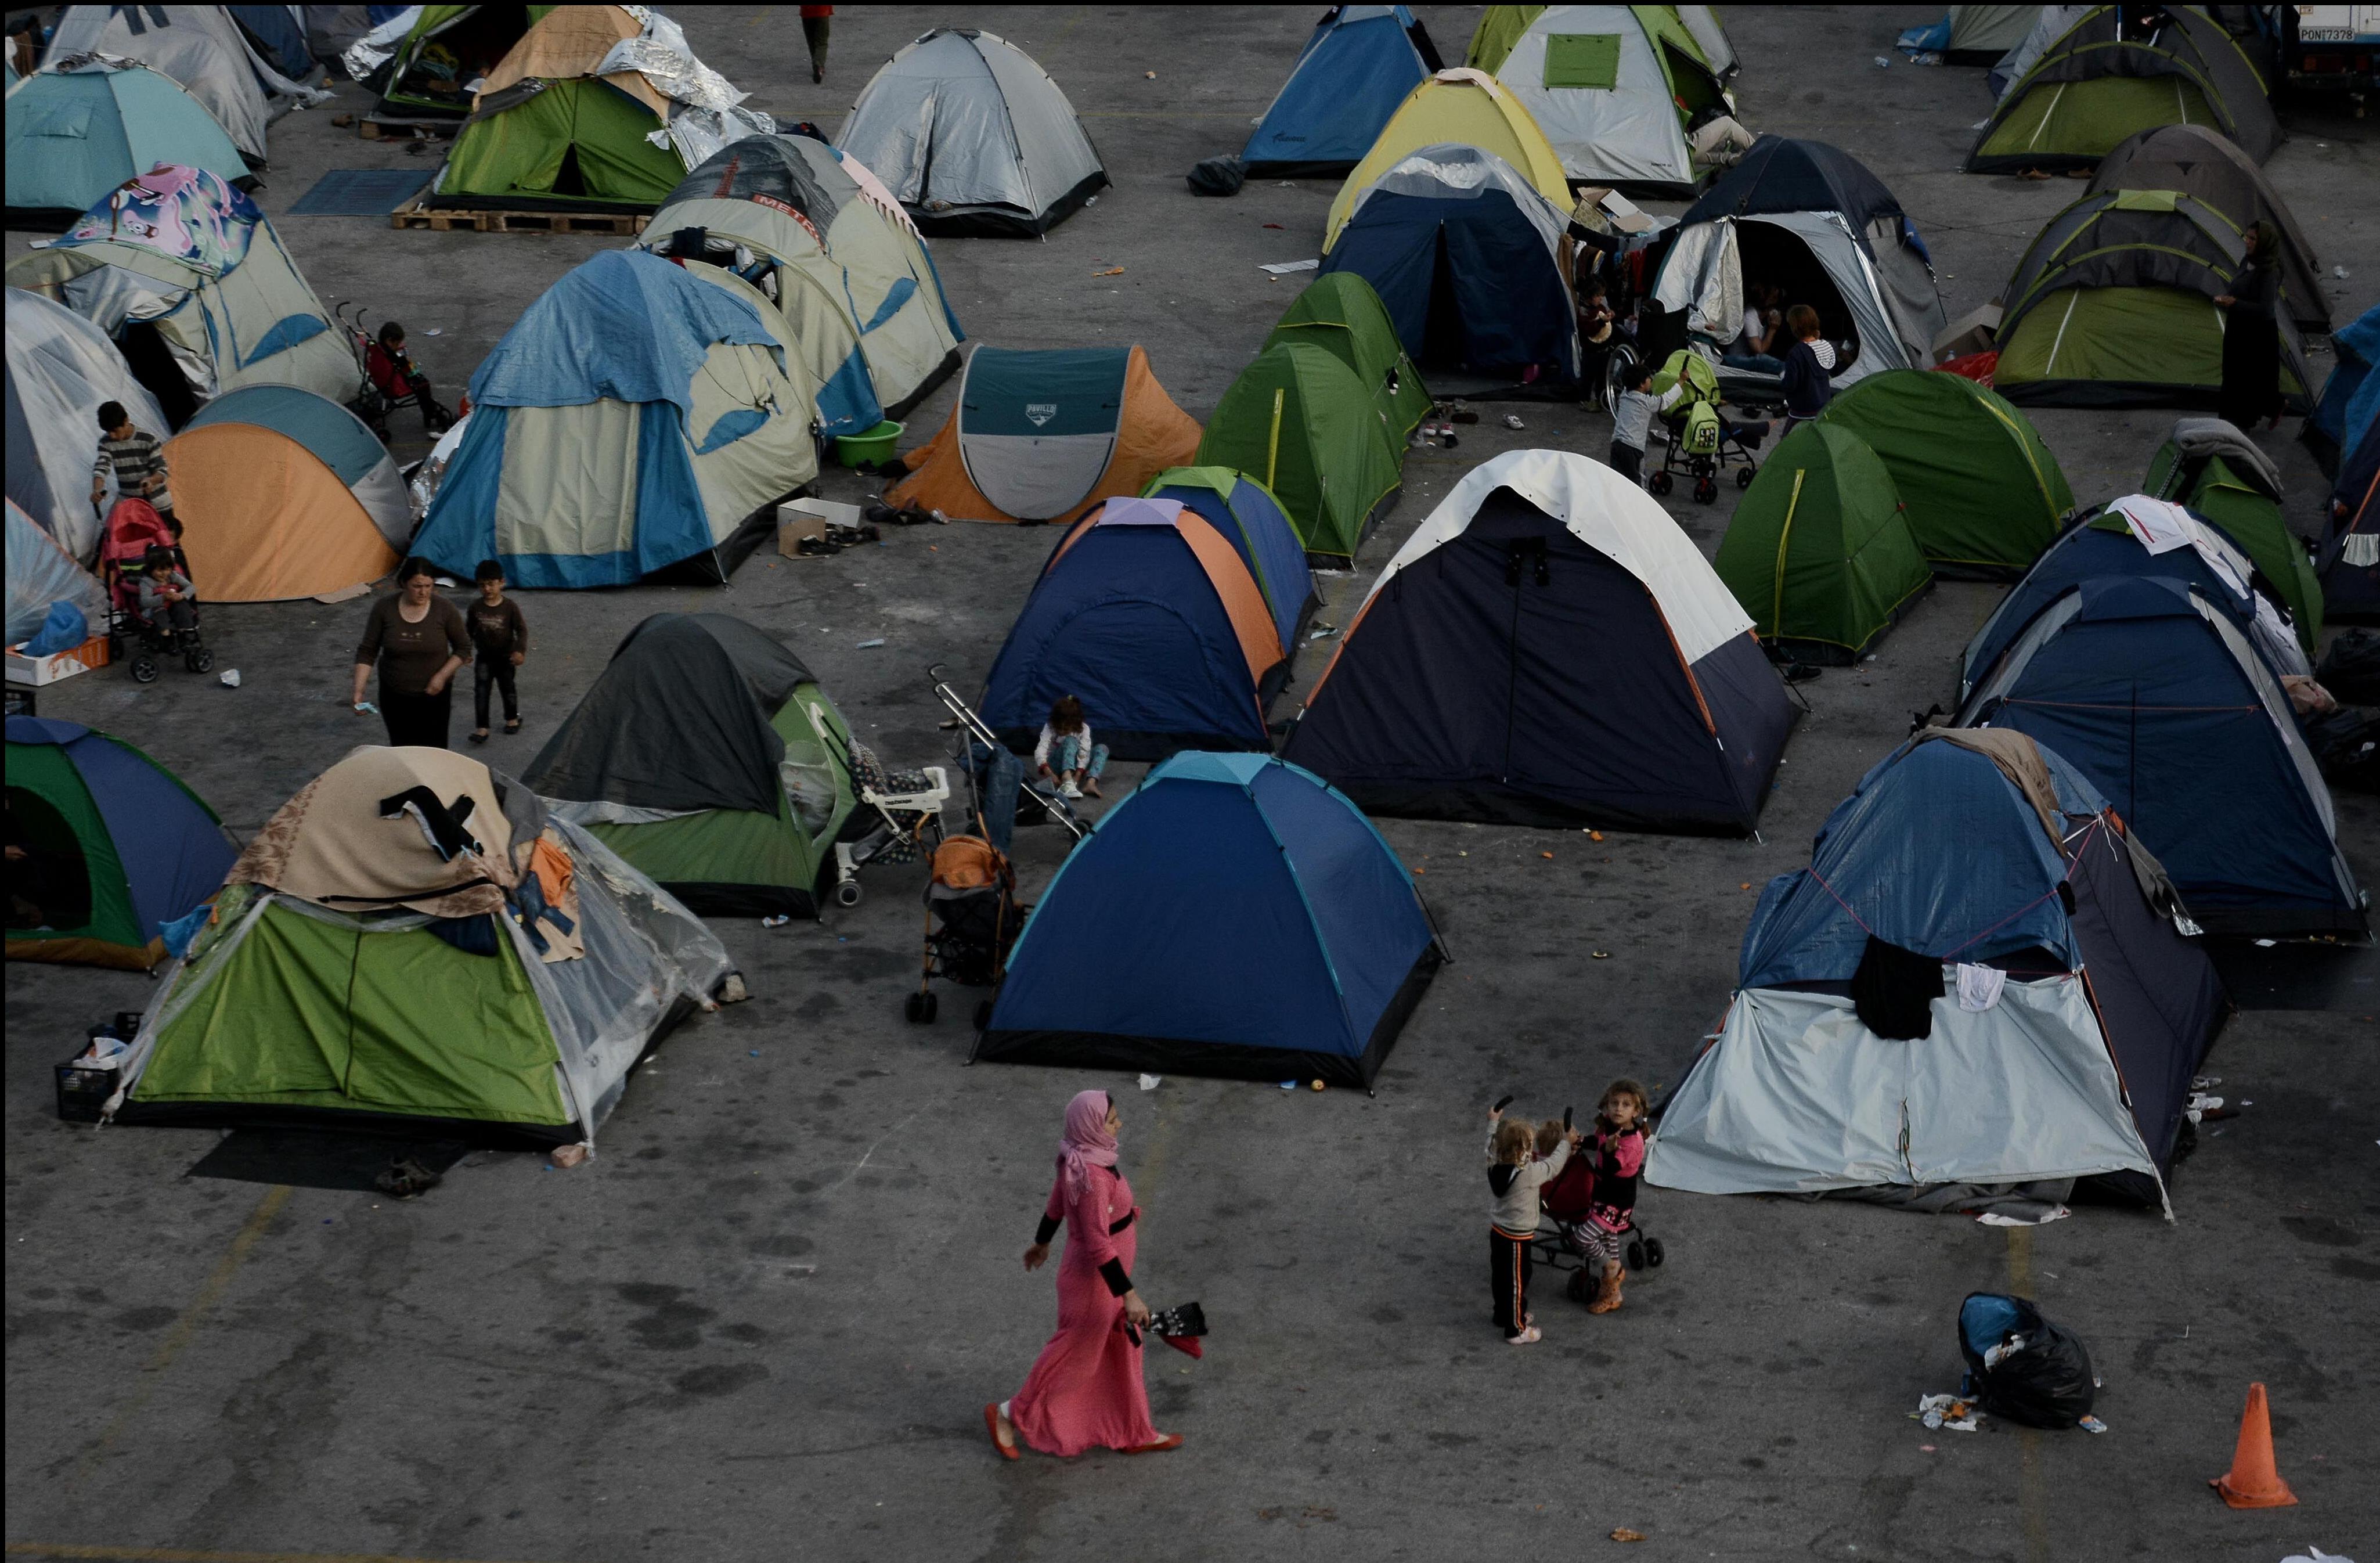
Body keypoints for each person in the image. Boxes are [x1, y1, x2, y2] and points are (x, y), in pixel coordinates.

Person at [988, 1090, 1183, 1459]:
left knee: (1125, 1349)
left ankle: (1133, 1431)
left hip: (1103, 1280)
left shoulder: (1079, 1158)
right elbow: (1097, 1243)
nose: (1119, 1125)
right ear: (1091, 1126)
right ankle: (1007, 1415)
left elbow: (1056, 1205)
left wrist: (1042, 1243)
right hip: (1095, 1286)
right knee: (1074, 1359)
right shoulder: (1092, 1174)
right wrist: (1128, 1295)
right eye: (1111, 1121)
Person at [352, 557, 471, 749]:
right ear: (403, 584)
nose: (423, 592)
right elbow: (368, 651)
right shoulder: (384, 609)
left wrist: (441, 677)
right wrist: (359, 691)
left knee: (435, 749)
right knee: (403, 748)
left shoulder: (444, 609)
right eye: (417, 586)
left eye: (428, 586)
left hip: (435, 697)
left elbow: (463, 648)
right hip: (395, 695)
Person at [1486, 1101, 1578, 1346]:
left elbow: (1489, 1144)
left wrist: (1493, 1122)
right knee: (1518, 1280)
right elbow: (1554, 1165)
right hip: (1518, 1237)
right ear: (1521, 1151)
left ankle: (1502, 1314)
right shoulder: (1528, 1173)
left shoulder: (1493, 1163)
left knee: (1501, 1277)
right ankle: (1516, 1329)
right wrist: (1566, 1142)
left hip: (1499, 1232)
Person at [1574, 1079, 1649, 1316]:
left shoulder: (1633, 1142)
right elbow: (1598, 1141)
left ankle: (1611, 1266)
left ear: (1636, 1112)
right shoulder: (1608, 1127)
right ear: (1606, 1106)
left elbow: (1611, 1169)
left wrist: (1607, 1151)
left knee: (1583, 1238)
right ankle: (1613, 1293)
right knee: (1608, 1239)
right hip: (1602, 1194)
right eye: (1614, 1103)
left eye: (1626, 1105)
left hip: (1617, 1200)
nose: (1618, 1109)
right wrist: (1580, 1142)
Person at [2216, 222, 2283, 433]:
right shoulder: (2248, 261)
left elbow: (2265, 309)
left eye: (2253, 239)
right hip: (2238, 327)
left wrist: (2235, 303)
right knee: (2232, 373)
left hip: (2257, 334)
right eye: (2247, 237)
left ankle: (2240, 423)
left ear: (2263, 243)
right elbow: (2238, 285)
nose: (2248, 241)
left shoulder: (2269, 271)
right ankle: (2230, 420)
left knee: (2248, 379)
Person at [464, 560, 528, 744]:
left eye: (491, 584)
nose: (487, 589)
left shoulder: (509, 607)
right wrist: (466, 651)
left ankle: (512, 719)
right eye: (482, 585)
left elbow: (521, 630)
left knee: (508, 689)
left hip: (506, 658)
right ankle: (482, 728)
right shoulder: (476, 608)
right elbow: (468, 631)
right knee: (482, 691)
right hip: (484, 657)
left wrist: (519, 651)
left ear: (502, 582)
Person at [91, 402, 175, 538]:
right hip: (130, 506)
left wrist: (151, 480)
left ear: (126, 421)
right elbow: (101, 467)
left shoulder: (148, 440)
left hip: (158, 505)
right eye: (108, 432)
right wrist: (97, 490)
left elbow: (162, 471)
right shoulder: (106, 443)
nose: (112, 436)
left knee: (167, 545)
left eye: (115, 431)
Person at [1609, 358, 1687, 488]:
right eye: (1649, 378)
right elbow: (1666, 400)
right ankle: (1641, 504)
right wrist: (1681, 381)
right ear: (1642, 384)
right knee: (1637, 481)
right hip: (1633, 448)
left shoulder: (1624, 395)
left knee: (1617, 479)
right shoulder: (1646, 402)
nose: (1651, 380)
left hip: (1617, 444)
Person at [367, 323, 451, 437]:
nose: (398, 346)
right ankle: (431, 413)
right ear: (389, 341)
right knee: (423, 385)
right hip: (392, 386)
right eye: (396, 344)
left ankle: (430, 412)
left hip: (383, 383)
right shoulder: (391, 356)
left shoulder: (378, 350)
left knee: (420, 384)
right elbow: (404, 368)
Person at [1035, 694, 1109, 799]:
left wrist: (1078, 776)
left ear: (1075, 723)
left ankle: (1090, 783)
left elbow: (1085, 752)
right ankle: (1066, 778)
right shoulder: (1049, 727)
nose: (1063, 731)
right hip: (1055, 766)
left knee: (1102, 748)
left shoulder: (1084, 729)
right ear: (1054, 722)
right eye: (1060, 727)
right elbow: (1040, 751)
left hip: (1075, 766)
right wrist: (1050, 774)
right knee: (1070, 740)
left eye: (1067, 728)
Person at [1778, 305, 1838, 432]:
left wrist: (1783, 378)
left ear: (1795, 328)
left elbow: (1790, 384)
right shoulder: (1825, 347)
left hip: (1802, 410)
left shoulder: (1796, 353)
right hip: (1822, 406)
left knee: (1788, 443)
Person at [1725, 283, 1786, 376]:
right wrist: (1773, 329)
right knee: (1764, 361)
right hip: (1737, 360)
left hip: (1749, 359)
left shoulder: (1765, 319)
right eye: (1772, 297)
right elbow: (1759, 350)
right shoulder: (1750, 315)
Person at [135, 547, 197, 636]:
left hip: (172, 607)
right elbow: (144, 602)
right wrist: (163, 597)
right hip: (154, 609)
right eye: (160, 570)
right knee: (160, 612)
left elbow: (191, 587)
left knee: (181, 605)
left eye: (168, 569)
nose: (165, 573)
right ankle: (166, 635)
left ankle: (184, 631)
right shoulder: (146, 582)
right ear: (151, 569)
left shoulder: (172, 575)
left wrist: (181, 595)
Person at [800, 5, 831, 83]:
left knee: (811, 40)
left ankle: (816, 64)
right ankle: (818, 64)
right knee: (822, 42)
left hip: (806, 12)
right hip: (822, 12)